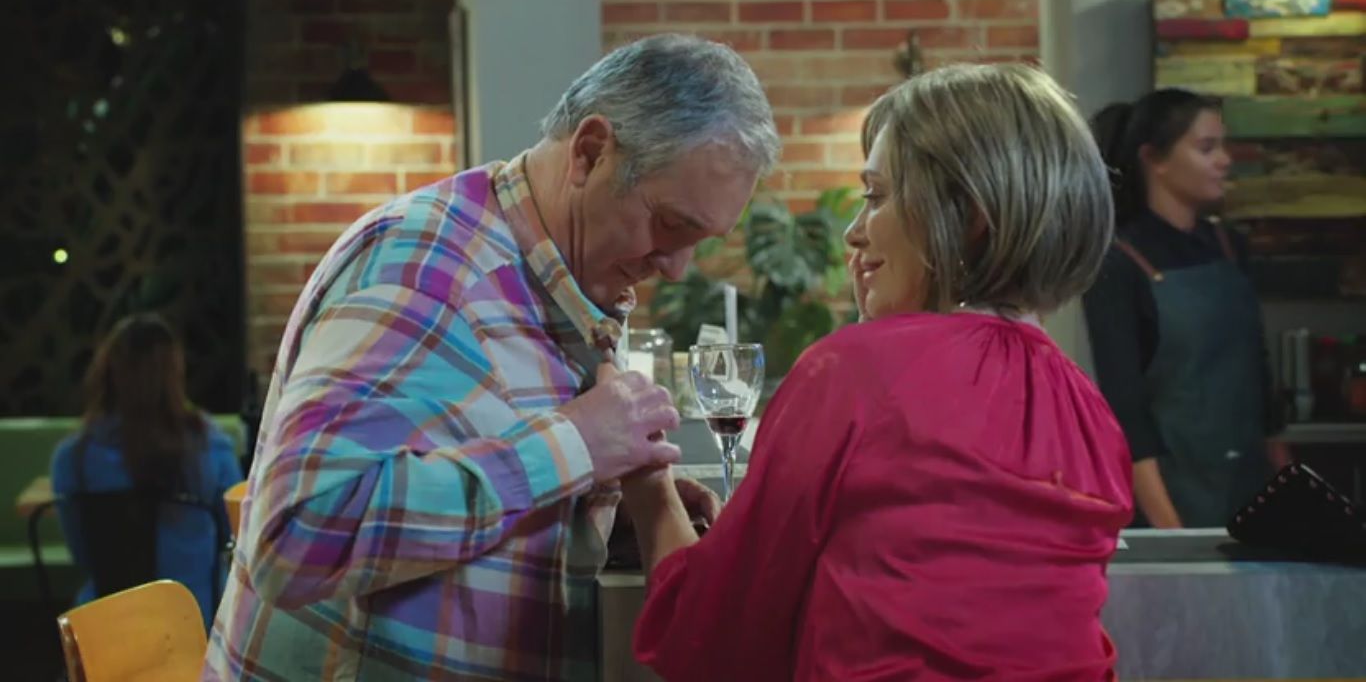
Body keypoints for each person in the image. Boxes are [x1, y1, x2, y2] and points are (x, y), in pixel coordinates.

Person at [204, 34, 779, 681]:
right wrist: (574, 445)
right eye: (670, 224)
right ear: (590, 153)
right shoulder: (422, 268)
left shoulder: (559, 280)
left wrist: (596, 509)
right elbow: (294, 540)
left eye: (701, 241)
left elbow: (471, 486)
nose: (676, 268)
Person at [625, 64, 1134, 681]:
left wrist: (650, 489)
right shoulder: (1088, 409)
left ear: (969, 215)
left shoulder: (856, 372)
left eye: (876, 196)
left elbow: (711, 640)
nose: (853, 232)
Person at [1084, 89, 1288, 529]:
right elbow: (1125, 409)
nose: (1225, 160)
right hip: (1172, 494)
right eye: (1207, 148)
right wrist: (1169, 528)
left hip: (1251, 489)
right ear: (1154, 159)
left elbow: (1259, 376)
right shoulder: (1119, 261)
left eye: (1224, 146)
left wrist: (1286, 483)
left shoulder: (1230, 246)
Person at [52, 313, 243, 626]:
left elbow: (84, 555)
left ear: (109, 373)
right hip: (195, 625)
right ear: (174, 374)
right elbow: (235, 535)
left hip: (107, 629)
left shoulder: (73, 458)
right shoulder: (211, 446)